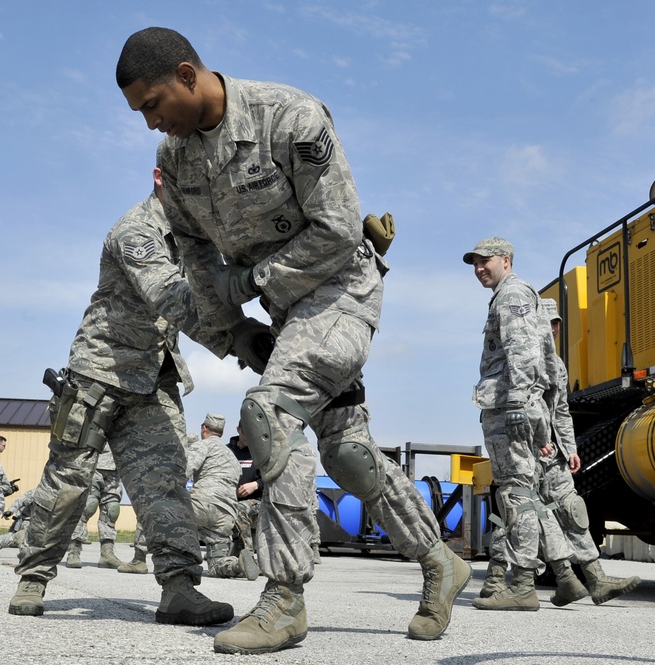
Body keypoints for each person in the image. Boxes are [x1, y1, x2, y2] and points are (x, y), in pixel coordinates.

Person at [117, 28, 468, 653]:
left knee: (271, 414)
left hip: (342, 291)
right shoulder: (177, 161)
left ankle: (284, 597)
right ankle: (441, 561)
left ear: (186, 74)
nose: (150, 123)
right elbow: (196, 256)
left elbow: (336, 230)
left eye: (152, 104)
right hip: (286, 314)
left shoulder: (289, 117)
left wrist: (250, 281)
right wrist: (236, 330)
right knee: (347, 454)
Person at [8, 154, 251, 627]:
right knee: (69, 480)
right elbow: (172, 297)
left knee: (165, 484)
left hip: (153, 380)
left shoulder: (197, 237)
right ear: (159, 179)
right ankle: (33, 578)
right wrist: (239, 335)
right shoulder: (134, 230)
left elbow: (219, 283)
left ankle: (180, 589)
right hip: (99, 374)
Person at [480, 298, 641, 606]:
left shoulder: (556, 364)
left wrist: (569, 448)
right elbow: (528, 404)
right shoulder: (525, 356)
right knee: (520, 510)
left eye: (556, 323)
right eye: (547, 321)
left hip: (550, 449)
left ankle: (593, 578)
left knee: (570, 509)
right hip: (525, 444)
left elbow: (561, 411)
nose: (552, 328)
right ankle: (497, 581)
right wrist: (540, 439)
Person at [464, 237, 562, 612]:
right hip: (506, 404)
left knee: (516, 493)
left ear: (506, 260)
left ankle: (522, 584)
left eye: (485, 261)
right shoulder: (508, 295)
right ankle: (518, 580)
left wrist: (519, 400)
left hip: (509, 405)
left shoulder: (513, 295)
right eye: (474, 264)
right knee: (515, 491)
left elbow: (524, 350)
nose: (479, 269)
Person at [186, 413, 258, 580]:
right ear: (222, 433)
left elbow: (183, 471)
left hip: (202, 504)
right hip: (226, 514)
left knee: (167, 519)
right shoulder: (231, 455)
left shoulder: (203, 446)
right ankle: (236, 565)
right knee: (217, 565)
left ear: (204, 428)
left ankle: (140, 558)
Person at [65, 443, 127, 569]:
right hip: (92, 464)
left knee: (112, 510)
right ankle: (74, 552)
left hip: (115, 468)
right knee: (88, 506)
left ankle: (107, 554)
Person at [227, 423, 262, 555]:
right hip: (230, 499)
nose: (247, 436)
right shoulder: (227, 451)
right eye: (244, 432)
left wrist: (256, 484)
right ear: (238, 430)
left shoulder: (260, 452)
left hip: (258, 502)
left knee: (240, 509)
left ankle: (246, 553)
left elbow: (273, 477)